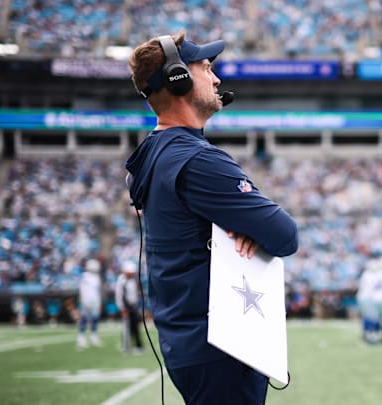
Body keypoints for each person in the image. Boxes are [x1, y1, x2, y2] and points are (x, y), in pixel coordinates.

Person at [125, 31, 298, 405]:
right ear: (178, 78)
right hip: (220, 346)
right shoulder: (198, 160)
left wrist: (232, 224)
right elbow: (285, 235)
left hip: (187, 344)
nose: (217, 78)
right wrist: (244, 227)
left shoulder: (150, 154)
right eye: (205, 68)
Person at [115, 260, 143, 354]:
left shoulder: (134, 279)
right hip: (126, 307)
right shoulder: (121, 280)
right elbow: (119, 295)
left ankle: (139, 346)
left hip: (133, 306)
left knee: (135, 326)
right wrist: (122, 308)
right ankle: (126, 347)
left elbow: (134, 294)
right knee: (126, 328)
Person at [78, 258, 103, 349]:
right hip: (87, 301)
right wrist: (85, 302)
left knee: (95, 320)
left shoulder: (96, 277)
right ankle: (81, 338)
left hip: (95, 301)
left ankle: (94, 337)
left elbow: (97, 292)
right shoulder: (85, 277)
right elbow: (83, 291)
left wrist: (99, 302)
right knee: (84, 319)